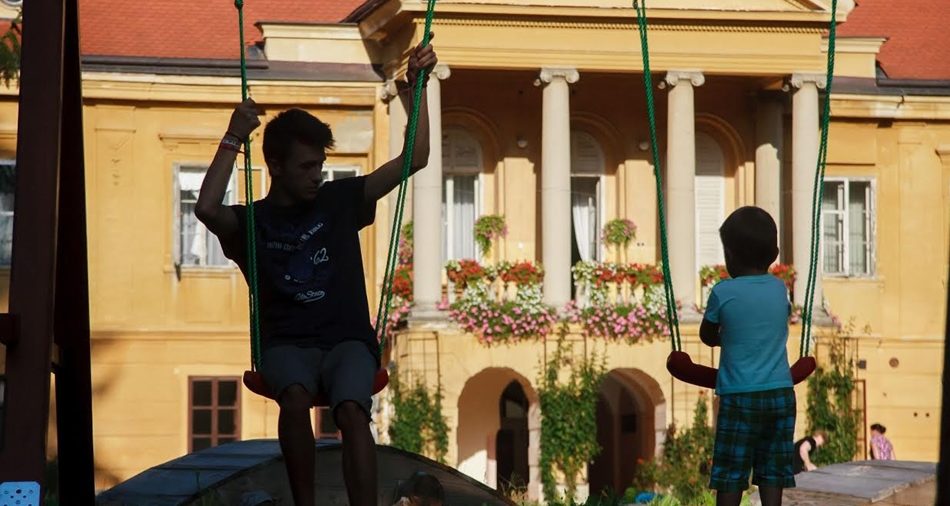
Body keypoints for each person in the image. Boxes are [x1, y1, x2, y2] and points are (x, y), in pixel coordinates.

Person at [195, 37, 438, 506]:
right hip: (287, 346)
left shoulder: (340, 201)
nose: (317, 176)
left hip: (346, 341)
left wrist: (417, 89)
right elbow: (206, 208)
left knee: (351, 410)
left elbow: (417, 157)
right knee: (294, 400)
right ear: (276, 167)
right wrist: (232, 138)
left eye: (321, 166)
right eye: (307, 167)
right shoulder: (253, 223)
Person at [700, 206, 796, 506]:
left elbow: (707, 335)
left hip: (740, 396)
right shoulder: (780, 290)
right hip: (780, 392)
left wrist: (726, 337)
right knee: (772, 470)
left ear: (730, 254)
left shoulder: (723, 292)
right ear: (775, 252)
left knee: (731, 469)